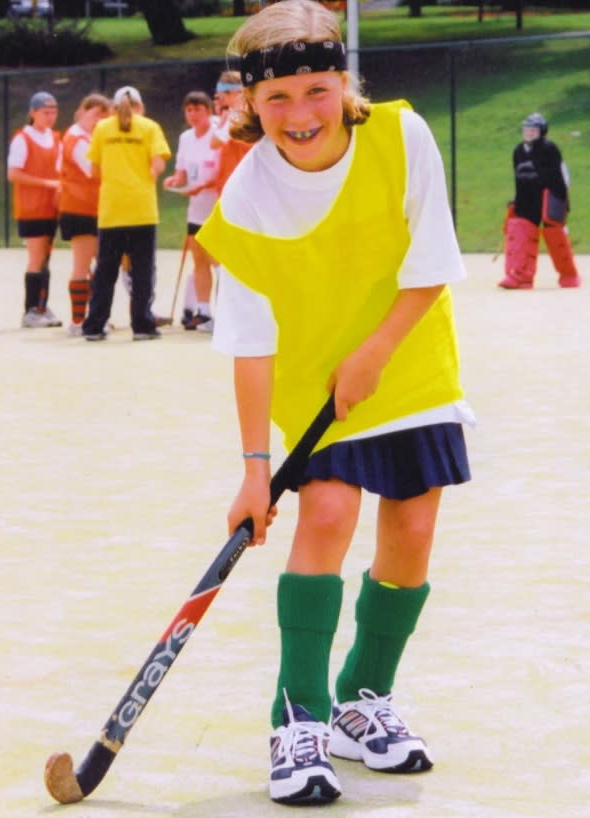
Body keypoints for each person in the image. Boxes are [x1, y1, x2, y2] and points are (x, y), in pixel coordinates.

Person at [197, 0, 474, 806]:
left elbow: (431, 261)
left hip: (408, 354)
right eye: (275, 99)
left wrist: (376, 352)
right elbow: (248, 342)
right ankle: (297, 715)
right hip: (314, 381)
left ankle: (363, 698)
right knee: (324, 515)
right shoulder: (245, 197)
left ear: (342, 83)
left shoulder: (400, 137)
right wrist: (254, 471)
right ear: (249, 104)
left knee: (413, 527)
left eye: (315, 90)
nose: (299, 114)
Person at [80, 86, 171, 341]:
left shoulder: (102, 129)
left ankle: (95, 325)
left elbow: (94, 170)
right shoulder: (150, 127)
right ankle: (142, 325)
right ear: (139, 105)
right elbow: (158, 164)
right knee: (142, 271)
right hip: (142, 209)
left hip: (112, 209)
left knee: (105, 271)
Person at [499, 112, 581, 289]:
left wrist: (560, 203)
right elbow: (519, 179)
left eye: (533, 130)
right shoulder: (518, 151)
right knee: (520, 234)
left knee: (556, 239)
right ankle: (521, 276)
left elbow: (560, 177)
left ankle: (569, 274)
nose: (529, 133)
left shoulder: (549, 149)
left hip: (548, 200)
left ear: (542, 132)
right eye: (526, 129)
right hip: (526, 201)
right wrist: (516, 201)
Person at [163, 91, 220, 332]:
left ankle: (226, 313)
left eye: (198, 109)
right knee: (199, 261)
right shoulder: (186, 138)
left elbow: (222, 171)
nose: (193, 115)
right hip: (196, 210)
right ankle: (203, 312)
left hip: (218, 208)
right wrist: (174, 181)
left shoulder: (219, 133)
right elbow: (182, 173)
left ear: (209, 111)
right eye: (189, 110)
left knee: (220, 263)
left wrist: (203, 187)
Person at [7, 91, 63, 328]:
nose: (50, 117)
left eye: (53, 112)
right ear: (33, 113)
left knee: (46, 258)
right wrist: (47, 183)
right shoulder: (22, 138)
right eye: (45, 112)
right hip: (32, 208)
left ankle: (42, 306)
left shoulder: (56, 138)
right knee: (36, 257)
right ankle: (31, 309)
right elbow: (14, 173)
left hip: (53, 207)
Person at [58, 92, 111, 336]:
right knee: (82, 265)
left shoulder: (91, 137)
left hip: (96, 208)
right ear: (83, 111)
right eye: (96, 113)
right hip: (79, 209)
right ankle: (78, 322)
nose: (99, 119)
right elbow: (93, 171)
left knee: (101, 266)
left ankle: (94, 315)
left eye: (104, 115)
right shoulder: (76, 138)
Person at [210, 70, 254, 197]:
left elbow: (214, 143)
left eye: (222, 96)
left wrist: (221, 121)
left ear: (233, 93)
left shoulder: (236, 115)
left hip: (238, 183)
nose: (222, 101)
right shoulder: (253, 110)